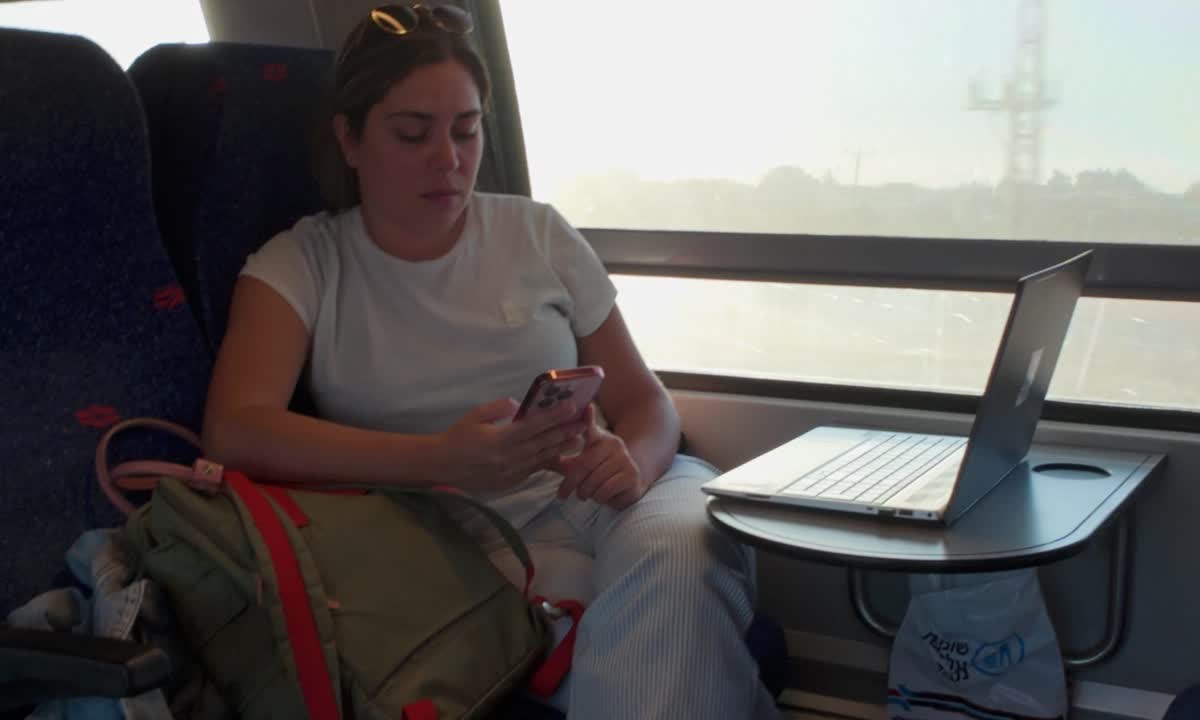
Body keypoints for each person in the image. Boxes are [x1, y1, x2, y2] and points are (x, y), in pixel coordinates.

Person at [201, 4, 778, 718]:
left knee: (691, 544)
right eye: (413, 133)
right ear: (349, 139)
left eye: (466, 130)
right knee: (664, 644)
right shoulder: (304, 264)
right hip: (447, 537)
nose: (448, 159)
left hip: (604, 498)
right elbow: (235, 429)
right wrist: (440, 460)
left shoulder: (537, 233)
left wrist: (632, 461)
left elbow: (643, 399)